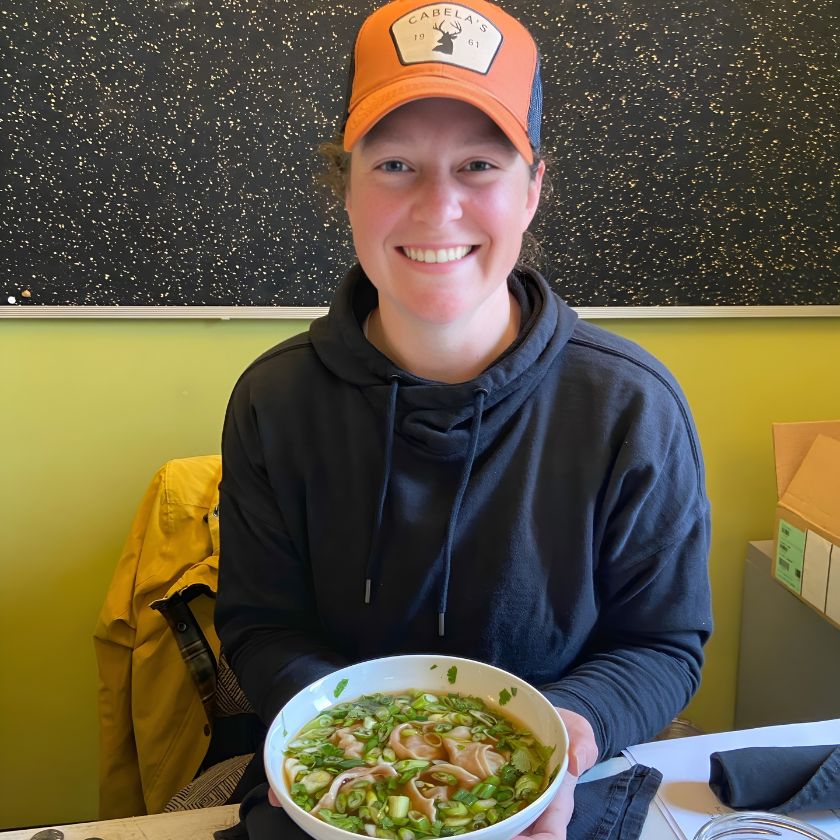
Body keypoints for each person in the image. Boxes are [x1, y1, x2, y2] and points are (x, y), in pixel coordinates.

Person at [215, 0, 713, 837]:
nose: (437, 208)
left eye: (479, 165)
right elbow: (261, 626)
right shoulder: (275, 400)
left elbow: (665, 644)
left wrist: (564, 734)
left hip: (558, 780)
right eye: (396, 165)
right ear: (345, 185)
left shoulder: (632, 404)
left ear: (533, 189)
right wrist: (338, 738)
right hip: (336, 786)